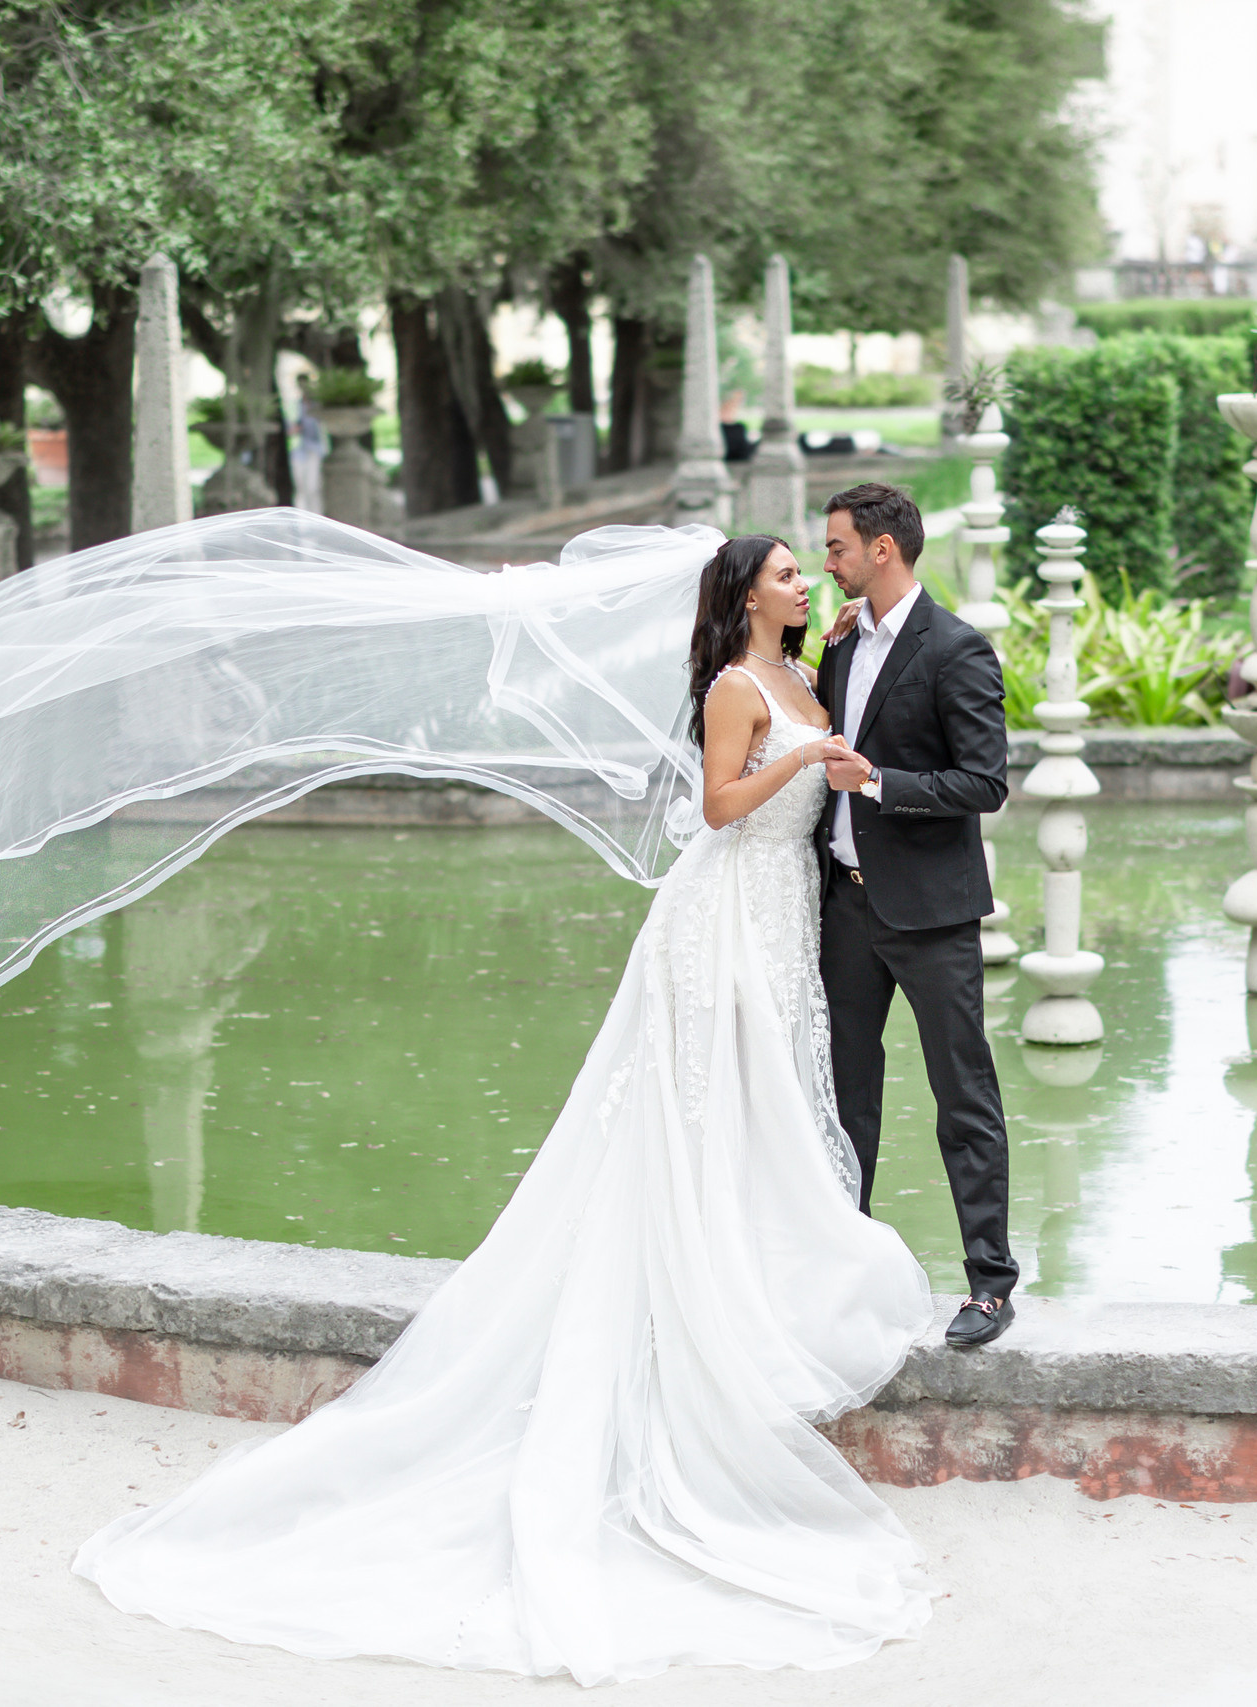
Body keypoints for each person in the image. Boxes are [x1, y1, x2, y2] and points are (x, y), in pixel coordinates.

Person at [74, 533, 938, 1683]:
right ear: (744, 596)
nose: (805, 581)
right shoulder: (736, 686)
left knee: (764, 1109)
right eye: (787, 571)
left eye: (805, 569)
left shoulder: (799, 670)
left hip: (781, 919)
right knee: (701, 1116)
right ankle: (694, 1302)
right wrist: (806, 760)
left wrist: (828, 677)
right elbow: (720, 807)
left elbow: (814, 726)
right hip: (722, 917)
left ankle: (751, 1280)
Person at [813, 482, 1019, 1348]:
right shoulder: (840, 643)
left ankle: (990, 1285)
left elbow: (984, 782)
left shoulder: (956, 649)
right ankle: (843, 1273)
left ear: (882, 548)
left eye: (837, 547)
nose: (827, 561)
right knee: (841, 1097)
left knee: (963, 1095)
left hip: (932, 915)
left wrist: (876, 782)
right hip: (845, 908)